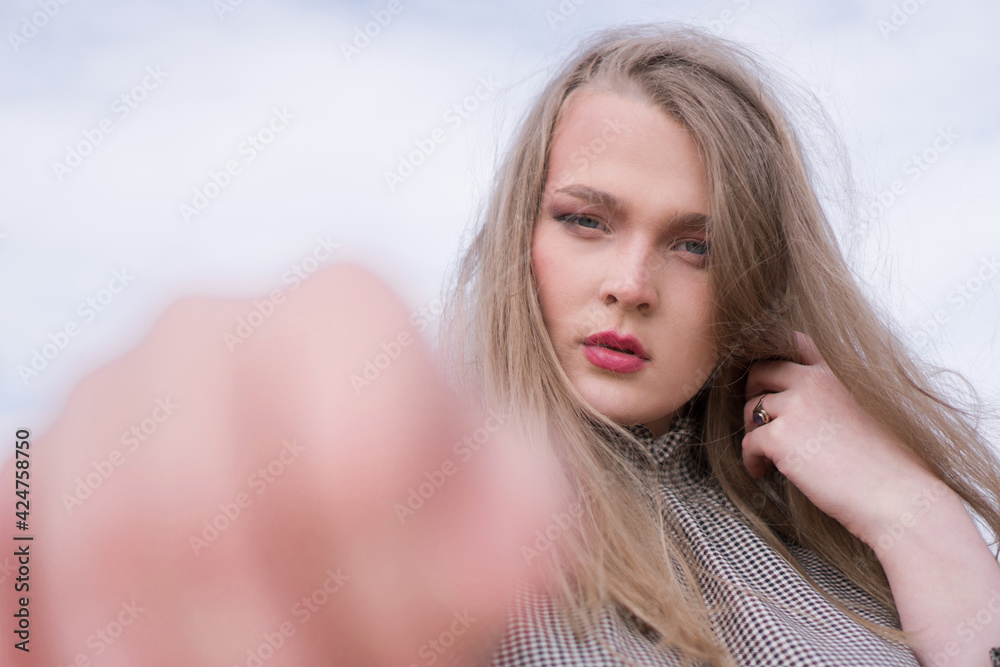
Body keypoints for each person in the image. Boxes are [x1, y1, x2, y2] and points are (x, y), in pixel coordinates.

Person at [3, 22, 999, 667]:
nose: (629, 283)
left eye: (694, 244)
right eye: (586, 219)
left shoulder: (851, 544)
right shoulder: (437, 518)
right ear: (521, 236)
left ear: (752, 278)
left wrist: (921, 520)